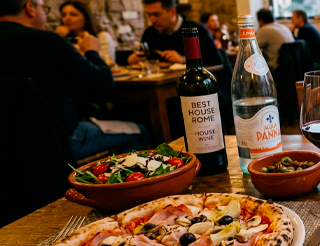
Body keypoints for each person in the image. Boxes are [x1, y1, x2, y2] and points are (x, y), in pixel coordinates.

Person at [0, 0, 148, 160]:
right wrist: (92, 51)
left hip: (8, 142)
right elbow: (104, 83)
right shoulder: (47, 40)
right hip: (60, 138)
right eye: (45, 8)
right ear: (30, 8)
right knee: (140, 132)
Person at [127, 0, 220, 67]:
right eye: (149, 15)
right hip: (162, 85)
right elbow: (147, 56)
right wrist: (135, 59)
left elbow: (216, 59)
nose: (152, 20)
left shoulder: (194, 30)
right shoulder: (150, 32)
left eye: (157, 14)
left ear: (172, 12)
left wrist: (183, 59)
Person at [256, 8, 294, 74]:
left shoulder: (264, 30)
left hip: (276, 68)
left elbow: (251, 47)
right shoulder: (283, 27)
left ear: (260, 21)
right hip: (291, 66)